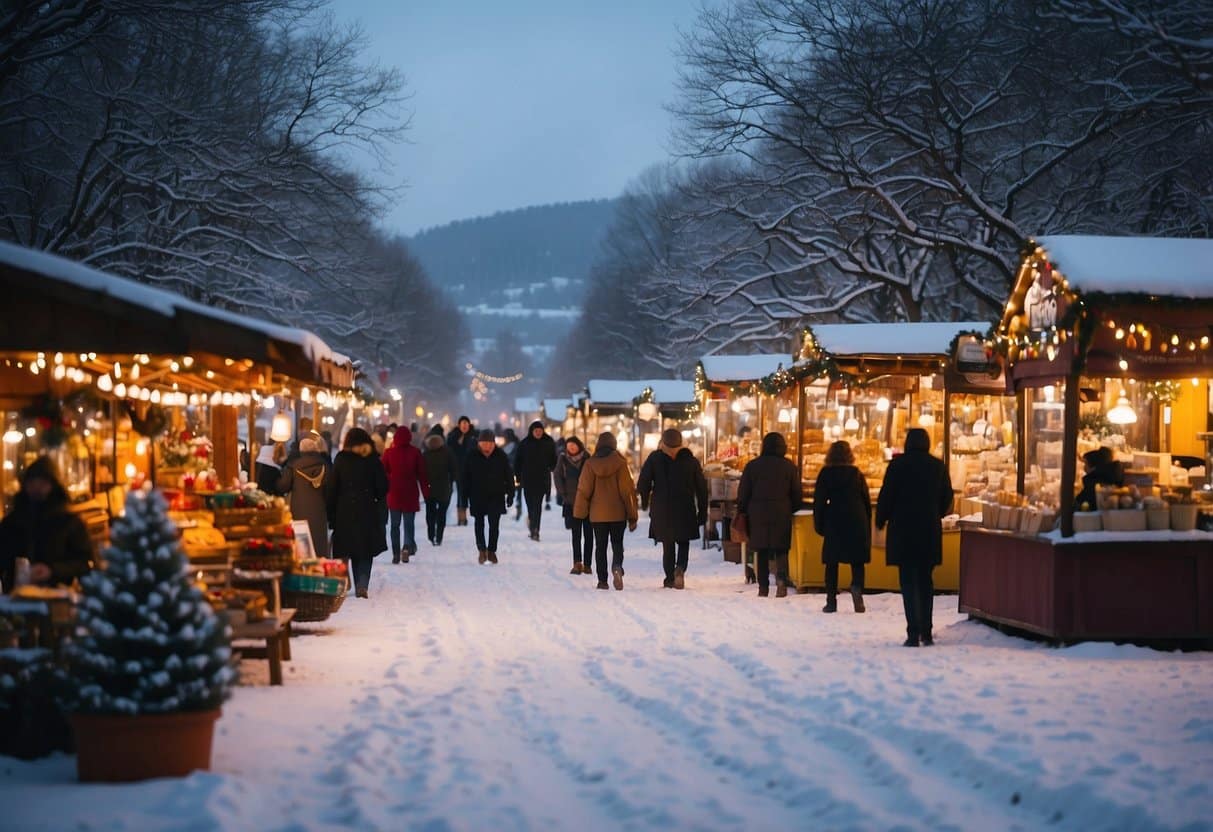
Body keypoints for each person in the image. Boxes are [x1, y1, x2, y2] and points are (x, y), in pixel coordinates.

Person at [876, 428, 954, 646]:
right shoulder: (937, 466)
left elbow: (887, 495)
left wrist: (881, 519)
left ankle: (913, 632)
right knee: (926, 581)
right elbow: (947, 497)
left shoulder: (897, 466)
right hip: (928, 530)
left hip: (903, 530)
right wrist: (934, 513)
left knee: (908, 582)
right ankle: (927, 632)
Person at [0, 457, 93, 591]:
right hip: (16, 597)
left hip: (55, 598)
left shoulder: (69, 522)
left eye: (42, 483)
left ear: (53, 486)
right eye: (32, 482)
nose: (36, 488)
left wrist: (52, 571)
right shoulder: (12, 522)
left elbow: (84, 562)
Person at [637, 428, 707, 590]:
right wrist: (702, 511)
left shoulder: (655, 458)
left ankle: (669, 577)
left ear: (663, 442)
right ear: (681, 442)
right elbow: (701, 488)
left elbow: (643, 483)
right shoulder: (691, 461)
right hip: (685, 507)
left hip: (662, 508)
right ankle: (680, 568)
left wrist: (646, 501)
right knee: (683, 541)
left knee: (668, 545)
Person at [326, 428, 389, 599]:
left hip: (344, 510)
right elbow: (382, 487)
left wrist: (330, 513)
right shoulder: (372, 460)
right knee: (365, 549)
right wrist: (372, 495)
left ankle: (349, 581)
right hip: (367, 509)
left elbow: (332, 487)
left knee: (349, 548)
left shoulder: (341, 459)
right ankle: (362, 583)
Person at [738, 432, 802, 598]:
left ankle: (763, 587)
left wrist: (743, 510)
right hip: (781, 511)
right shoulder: (789, 467)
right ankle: (781, 580)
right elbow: (796, 494)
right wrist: (790, 508)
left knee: (762, 551)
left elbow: (744, 492)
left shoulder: (753, 466)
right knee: (781, 549)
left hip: (757, 513)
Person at [573, 432, 638, 591]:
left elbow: (584, 490)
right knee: (617, 543)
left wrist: (579, 513)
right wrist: (632, 515)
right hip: (618, 513)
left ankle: (602, 581)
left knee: (600, 546)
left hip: (598, 515)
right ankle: (617, 566)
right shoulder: (621, 463)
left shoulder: (589, 464)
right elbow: (627, 491)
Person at [813, 440, 871, 613]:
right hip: (856, 517)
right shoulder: (856, 473)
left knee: (832, 562)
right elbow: (866, 500)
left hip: (835, 519)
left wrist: (820, 525)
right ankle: (857, 589)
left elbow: (819, 502)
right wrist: (866, 522)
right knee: (857, 561)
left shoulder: (826, 473)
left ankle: (831, 601)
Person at [462, 429, 513, 564]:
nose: (487, 446)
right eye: (484, 443)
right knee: (479, 523)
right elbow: (465, 478)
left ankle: (491, 551)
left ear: (494, 443)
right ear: (479, 443)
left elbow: (508, 475)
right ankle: (481, 549)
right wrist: (464, 496)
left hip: (496, 495)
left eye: (490, 443)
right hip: (477, 495)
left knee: (494, 525)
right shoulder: (471, 456)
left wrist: (511, 493)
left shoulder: (501, 456)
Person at [277, 435, 333, 558]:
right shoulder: (325, 466)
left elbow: (283, 486)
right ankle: (319, 569)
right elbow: (330, 492)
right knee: (319, 545)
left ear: (301, 451)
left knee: (302, 546)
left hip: (299, 512)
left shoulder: (293, 466)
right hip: (319, 512)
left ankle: (304, 569)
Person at [382, 425, 430, 564]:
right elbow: (422, 475)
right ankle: (407, 548)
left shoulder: (388, 453)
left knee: (394, 525)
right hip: (410, 493)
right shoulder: (415, 452)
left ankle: (396, 553)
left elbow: (382, 473)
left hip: (394, 493)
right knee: (409, 524)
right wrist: (426, 493)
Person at [553, 436, 593, 575]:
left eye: (573, 446)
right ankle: (577, 563)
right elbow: (557, 476)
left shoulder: (588, 458)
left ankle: (587, 564)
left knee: (588, 534)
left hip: (587, 501)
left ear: (579, 446)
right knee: (576, 534)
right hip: (571, 502)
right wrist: (563, 493)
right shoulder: (563, 459)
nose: (571, 448)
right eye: (569, 446)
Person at [514, 420, 557, 542]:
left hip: (542, 479)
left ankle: (535, 530)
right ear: (531, 431)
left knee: (537, 505)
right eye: (536, 431)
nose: (538, 433)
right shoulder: (524, 444)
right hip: (527, 480)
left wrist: (552, 467)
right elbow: (518, 461)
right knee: (530, 506)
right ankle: (533, 525)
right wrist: (517, 476)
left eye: (540, 431)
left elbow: (554, 458)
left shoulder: (548, 442)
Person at [422, 425, 458, 546]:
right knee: (442, 513)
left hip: (429, 487)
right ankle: (439, 536)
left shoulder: (426, 452)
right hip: (443, 486)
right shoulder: (447, 452)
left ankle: (431, 534)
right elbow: (453, 469)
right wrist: (452, 481)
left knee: (430, 512)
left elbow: (421, 471)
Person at [1074, 446, 1125, 513]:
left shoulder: (1092, 484)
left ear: (1094, 467)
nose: (1084, 467)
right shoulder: (1110, 478)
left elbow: (1078, 504)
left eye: (1086, 464)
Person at [447, 416, 478, 526]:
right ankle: (462, 517)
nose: (464, 426)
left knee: (474, 493)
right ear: (459, 425)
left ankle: (477, 515)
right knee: (461, 494)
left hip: (473, 470)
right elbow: (449, 452)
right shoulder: (453, 437)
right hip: (459, 469)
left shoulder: (474, 436)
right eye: (462, 423)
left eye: (466, 423)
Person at [502, 428, 523, 520]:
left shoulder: (507, 447)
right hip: (513, 473)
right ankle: (517, 509)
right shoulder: (516, 445)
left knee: (514, 491)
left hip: (512, 473)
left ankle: (516, 510)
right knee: (517, 492)